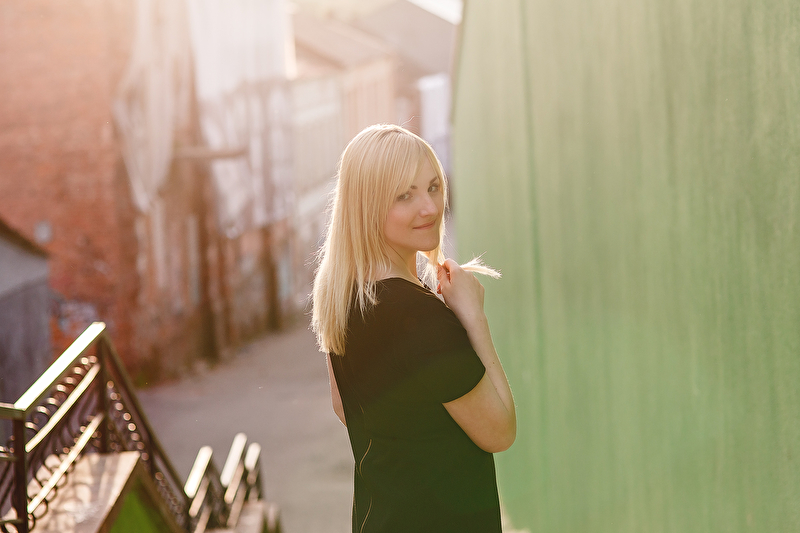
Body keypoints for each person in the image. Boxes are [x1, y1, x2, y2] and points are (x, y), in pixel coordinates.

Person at [312, 124, 516, 533]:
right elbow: (500, 431)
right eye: (404, 195)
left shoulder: (346, 298)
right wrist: (474, 317)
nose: (430, 207)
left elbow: (344, 407)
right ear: (368, 205)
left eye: (433, 187)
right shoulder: (420, 318)